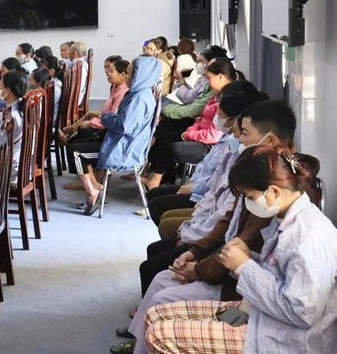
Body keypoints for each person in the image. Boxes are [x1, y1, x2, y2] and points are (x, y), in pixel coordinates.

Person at [115, 100, 294, 354]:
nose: (239, 139)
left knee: (163, 298)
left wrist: (197, 270)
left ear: (270, 140)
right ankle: (138, 341)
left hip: (237, 288)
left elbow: (239, 250)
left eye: (244, 133)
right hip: (228, 271)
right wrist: (195, 252)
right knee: (162, 278)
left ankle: (143, 343)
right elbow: (228, 220)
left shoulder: (272, 191)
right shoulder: (256, 171)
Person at [140, 147, 337, 354]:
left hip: (288, 338)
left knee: (158, 335)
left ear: (274, 192)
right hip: (263, 314)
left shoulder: (309, 237)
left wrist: (244, 266)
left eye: (250, 197)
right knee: (155, 315)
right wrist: (246, 257)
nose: (248, 203)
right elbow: (278, 274)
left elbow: (302, 312)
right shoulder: (285, 220)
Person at [145, 81, 265, 225]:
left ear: (234, 118)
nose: (217, 117)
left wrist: (194, 188)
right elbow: (206, 164)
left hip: (207, 194)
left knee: (159, 207)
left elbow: (221, 182)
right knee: (154, 196)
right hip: (203, 189)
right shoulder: (228, 136)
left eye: (220, 114)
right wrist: (193, 182)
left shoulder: (239, 147)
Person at [72, 57, 162, 214]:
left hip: (123, 149)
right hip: (123, 143)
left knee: (75, 152)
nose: (127, 77)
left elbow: (123, 126)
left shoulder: (139, 99)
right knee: (78, 145)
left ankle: (93, 191)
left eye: (130, 73)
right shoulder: (140, 93)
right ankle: (95, 185)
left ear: (140, 75)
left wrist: (106, 117)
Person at [143, 57, 242, 190]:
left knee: (167, 144)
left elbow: (212, 135)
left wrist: (188, 135)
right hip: (199, 133)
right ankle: (154, 175)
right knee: (163, 136)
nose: (207, 81)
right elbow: (202, 117)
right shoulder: (216, 95)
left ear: (220, 77)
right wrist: (191, 131)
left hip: (209, 143)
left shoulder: (227, 100)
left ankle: (155, 179)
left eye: (209, 78)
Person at [59, 58, 129, 182]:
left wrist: (91, 123)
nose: (107, 73)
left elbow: (112, 118)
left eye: (111, 71)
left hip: (109, 134)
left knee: (81, 135)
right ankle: (86, 177)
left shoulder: (122, 92)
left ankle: (88, 180)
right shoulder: (115, 87)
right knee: (84, 125)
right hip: (106, 128)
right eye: (106, 69)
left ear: (122, 74)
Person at [0, 71, 28, 177]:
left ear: (8, 90)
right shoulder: (23, 108)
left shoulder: (8, 118)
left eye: (0, 83)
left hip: (5, 171)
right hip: (19, 163)